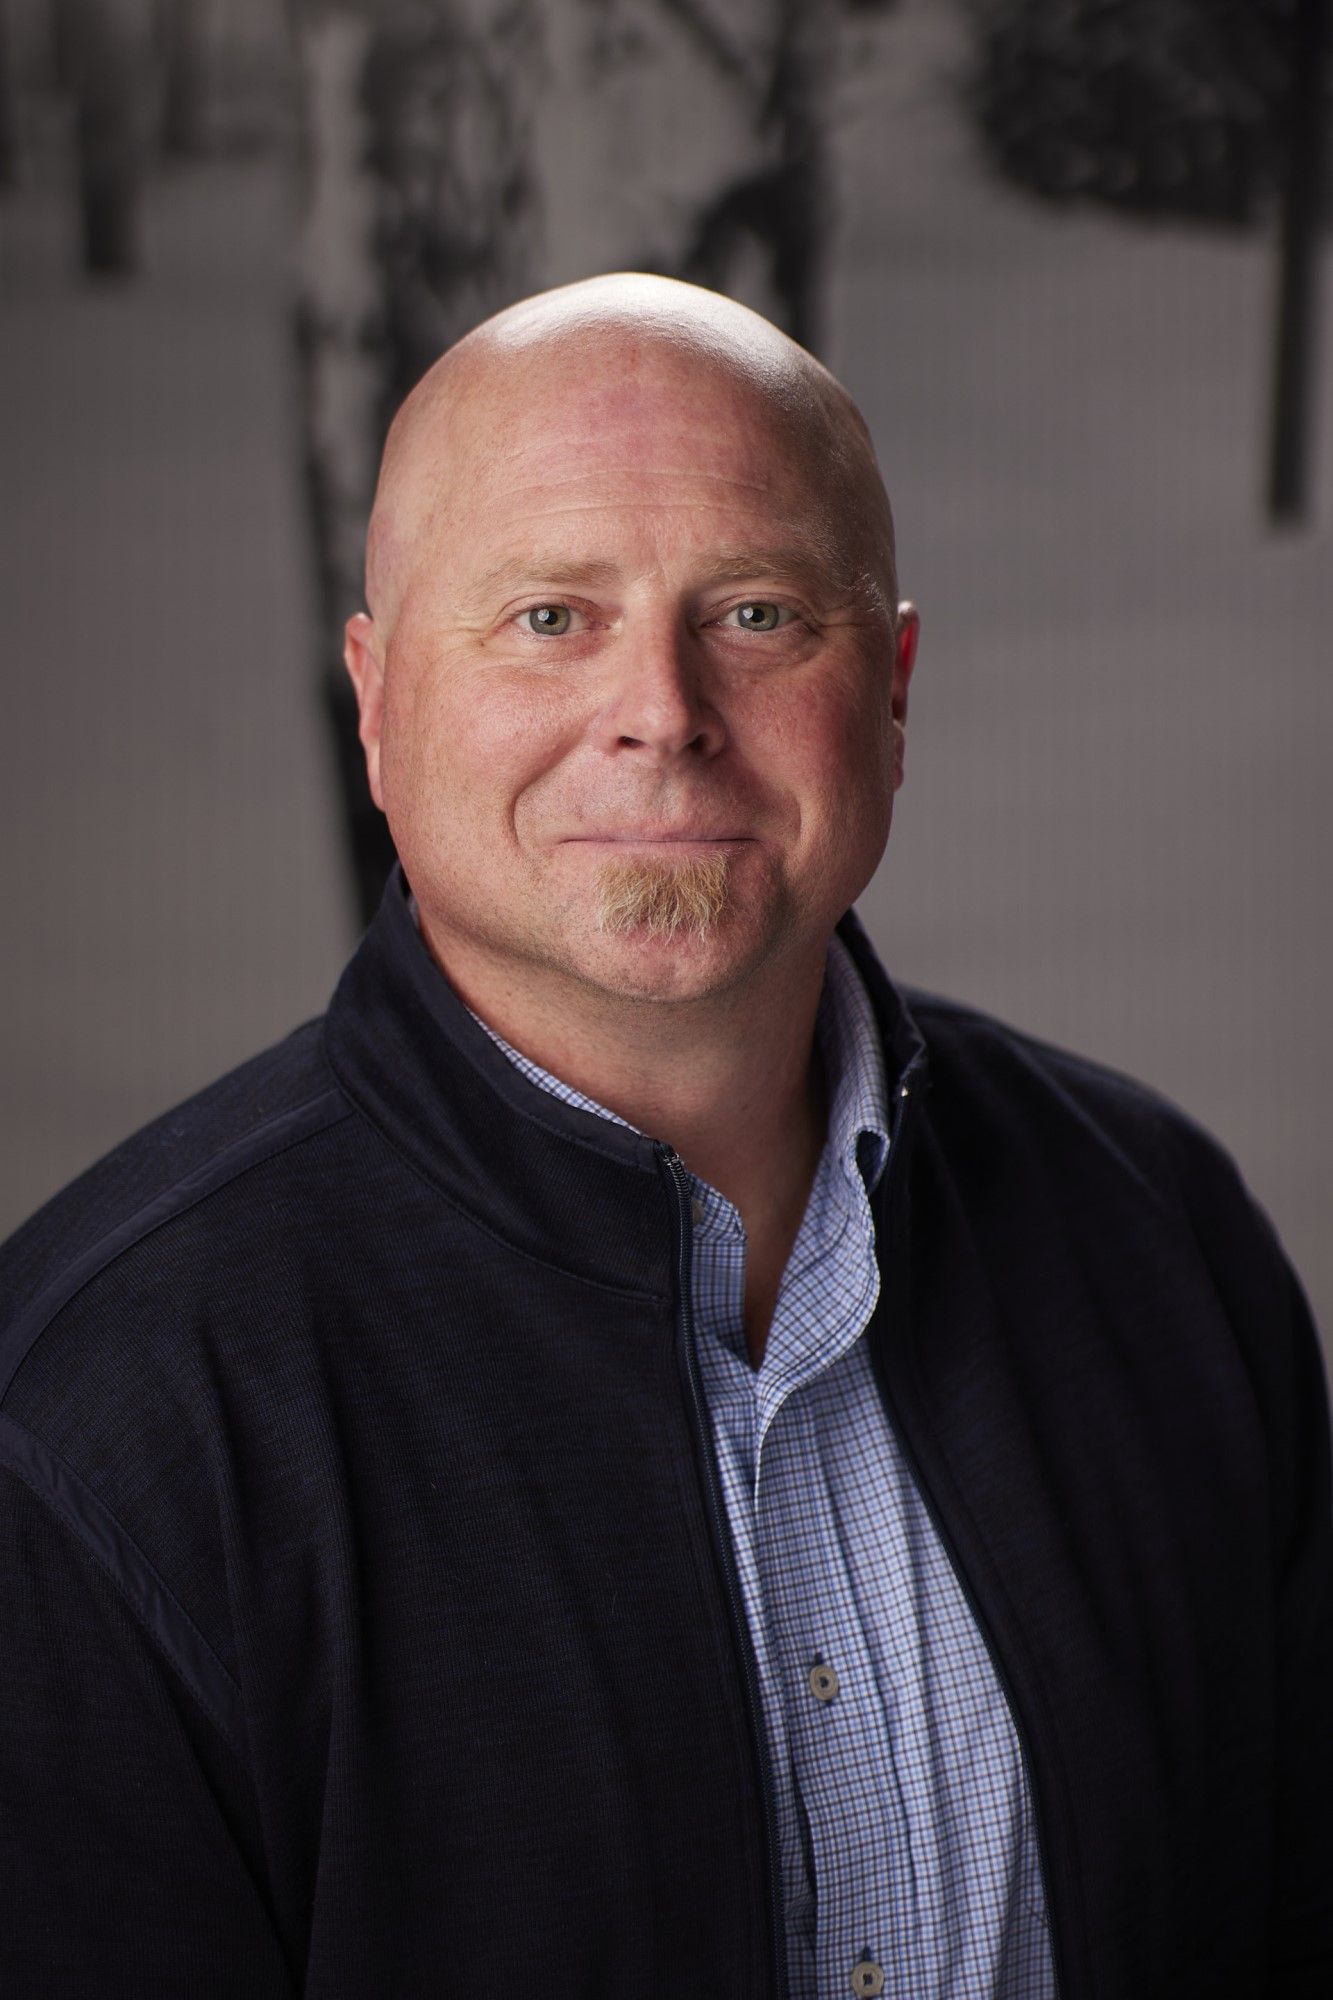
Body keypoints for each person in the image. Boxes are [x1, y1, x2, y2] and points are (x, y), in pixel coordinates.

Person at [0, 274, 1329, 2000]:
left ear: (893, 689)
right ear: (378, 704)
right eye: (550, 616)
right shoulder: (103, 1418)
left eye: (758, 613)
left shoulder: (1154, 1233)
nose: (662, 709)